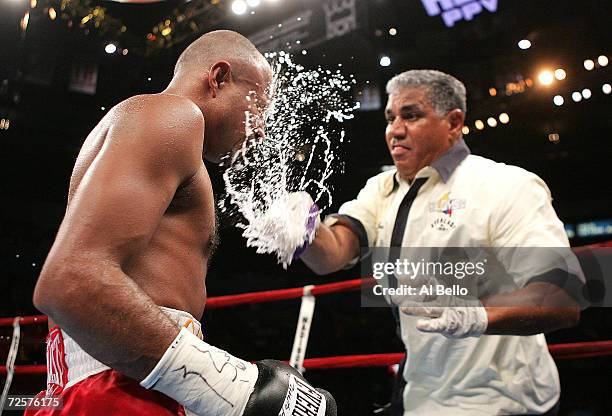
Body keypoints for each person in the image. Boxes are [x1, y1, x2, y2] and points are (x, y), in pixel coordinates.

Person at [29, 30, 336, 416]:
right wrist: (233, 388)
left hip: (133, 374)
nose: (260, 128)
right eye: (258, 105)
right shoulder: (171, 115)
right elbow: (69, 281)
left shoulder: (156, 131)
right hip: (119, 383)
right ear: (219, 77)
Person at [300, 70, 581, 415]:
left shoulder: (506, 185)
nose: (395, 130)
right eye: (390, 118)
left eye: (411, 115)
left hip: (501, 400)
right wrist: (303, 228)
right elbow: (332, 256)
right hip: (420, 390)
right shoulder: (382, 188)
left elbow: (564, 297)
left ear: (453, 123)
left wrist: (477, 314)